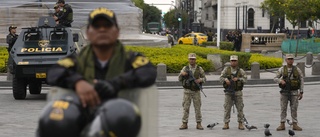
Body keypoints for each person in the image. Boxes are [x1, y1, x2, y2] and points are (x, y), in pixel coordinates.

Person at [36, 7, 157, 137]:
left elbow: (148, 71)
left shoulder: (131, 59)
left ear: (117, 32)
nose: (102, 29)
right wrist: (78, 82)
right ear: (88, 32)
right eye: (96, 26)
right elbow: (55, 72)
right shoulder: (77, 60)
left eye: (107, 25)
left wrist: (116, 83)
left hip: (120, 124)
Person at [274, 54, 304, 131]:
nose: (290, 60)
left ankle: (295, 124)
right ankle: (282, 123)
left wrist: (301, 91)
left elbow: (301, 80)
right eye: (289, 59)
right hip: (284, 92)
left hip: (294, 92)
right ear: (286, 60)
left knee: (294, 108)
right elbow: (275, 78)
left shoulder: (297, 69)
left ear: (293, 60)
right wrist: (280, 81)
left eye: (291, 59)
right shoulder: (282, 69)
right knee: (283, 108)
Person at [178, 53, 206, 130]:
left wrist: (200, 80)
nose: (192, 60)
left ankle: (199, 123)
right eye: (190, 59)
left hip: (196, 91)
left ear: (195, 60)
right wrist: (182, 74)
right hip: (187, 91)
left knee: (197, 107)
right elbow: (179, 79)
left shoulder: (199, 68)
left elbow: (204, 78)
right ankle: (184, 123)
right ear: (188, 60)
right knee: (186, 107)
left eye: (193, 59)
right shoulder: (185, 68)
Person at [219, 55, 247, 130]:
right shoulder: (226, 70)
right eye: (232, 61)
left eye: (235, 61)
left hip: (238, 92)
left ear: (237, 62)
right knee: (227, 107)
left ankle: (240, 123)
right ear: (230, 61)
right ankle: (226, 123)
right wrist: (225, 80)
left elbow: (245, 79)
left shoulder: (240, 70)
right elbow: (220, 78)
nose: (233, 62)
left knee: (240, 108)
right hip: (228, 92)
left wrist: (238, 79)